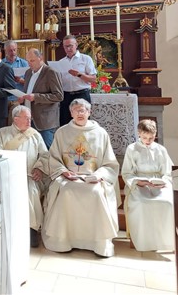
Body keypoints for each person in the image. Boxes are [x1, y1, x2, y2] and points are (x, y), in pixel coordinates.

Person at [42, 99, 120, 257]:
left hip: (93, 178)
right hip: (68, 178)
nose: (79, 113)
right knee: (65, 193)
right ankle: (62, 240)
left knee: (97, 193)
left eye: (83, 110)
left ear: (89, 112)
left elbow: (110, 163)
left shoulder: (101, 133)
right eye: (76, 110)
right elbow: (53, 158)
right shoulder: (62, 132)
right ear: (71, 113)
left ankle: (99, 241)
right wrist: (63, 171)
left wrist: (98, 175)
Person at [0, 106, 48, 247]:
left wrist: (39, 169)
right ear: (15, 118)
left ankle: (31, 231)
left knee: (30, 193)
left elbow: (45, 155)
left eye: (30, 118)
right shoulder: (2, 133)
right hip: (7, 176)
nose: (30, 121)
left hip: (29, 175)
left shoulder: (35, 134)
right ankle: (3, 230)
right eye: (26, 118)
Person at [122, 119, 175, 252]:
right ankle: (143, 242)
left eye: (151, 138)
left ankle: (165, 243)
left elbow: (167, 172)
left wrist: (163, 182)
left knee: (167, 203)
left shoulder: (161, 149)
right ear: (139, 133)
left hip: (158, 185)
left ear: (155, 134)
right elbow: (127, 172)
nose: (148, 140)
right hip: (138, 184)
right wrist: (137, 181)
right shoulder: (132, 149)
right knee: (141, 203)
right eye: (145, 137)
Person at [18, 48, 63, 148]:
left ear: (41, 58)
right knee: (32, 149)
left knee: (47, 150)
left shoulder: (51, 72)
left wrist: (36, 97)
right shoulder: (28, 73)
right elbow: (27, 92)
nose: (29, 63)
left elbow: (59, 96)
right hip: (30, 118)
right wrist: (23, 99)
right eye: (28, 61)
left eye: (32, 60)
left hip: (45, 120)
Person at [58, 35, 96, 126]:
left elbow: (93, 79)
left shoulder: (86, 59)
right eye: (66, 46)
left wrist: (79, 75)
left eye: (70, 45)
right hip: (66, 96)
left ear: (76, 45)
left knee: (82, 122)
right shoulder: (61, 62)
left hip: (82, 94)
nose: (68, 48)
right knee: (65, 123)